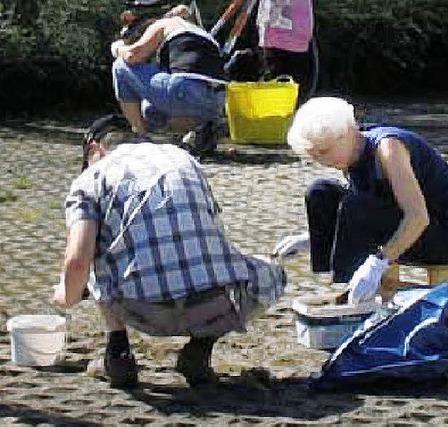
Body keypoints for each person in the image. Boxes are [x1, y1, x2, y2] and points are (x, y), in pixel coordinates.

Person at [52, 115, 286, 388]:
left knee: (95, 249)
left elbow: (77, 261)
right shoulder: (182, 158)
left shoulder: (91, 178)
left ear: (94, 149)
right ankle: (201, 347)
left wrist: (66, 296)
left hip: (142, 309)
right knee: (273, 273)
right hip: (213, 306)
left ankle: (118, 352)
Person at [273, 97, 448, 304]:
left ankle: (354, 290)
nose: (323, 161)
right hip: (408, 227)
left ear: (347, 133)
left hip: (445, 233)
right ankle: (349, 283)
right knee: (320, 191)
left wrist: (377, 264)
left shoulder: (389, 148)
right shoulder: (350, 154)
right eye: (315, 156)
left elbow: (418, 217)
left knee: (358, 205)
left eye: (325, 151)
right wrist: (317, 238)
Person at [110, 3, 225, 153]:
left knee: (120, 65)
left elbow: (133, 56)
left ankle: (141, 136)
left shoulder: (165, 23)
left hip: (184, 91)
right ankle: (198, 132)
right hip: (215, 105)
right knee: (150, 109)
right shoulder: (203, 35)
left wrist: (118, 48)